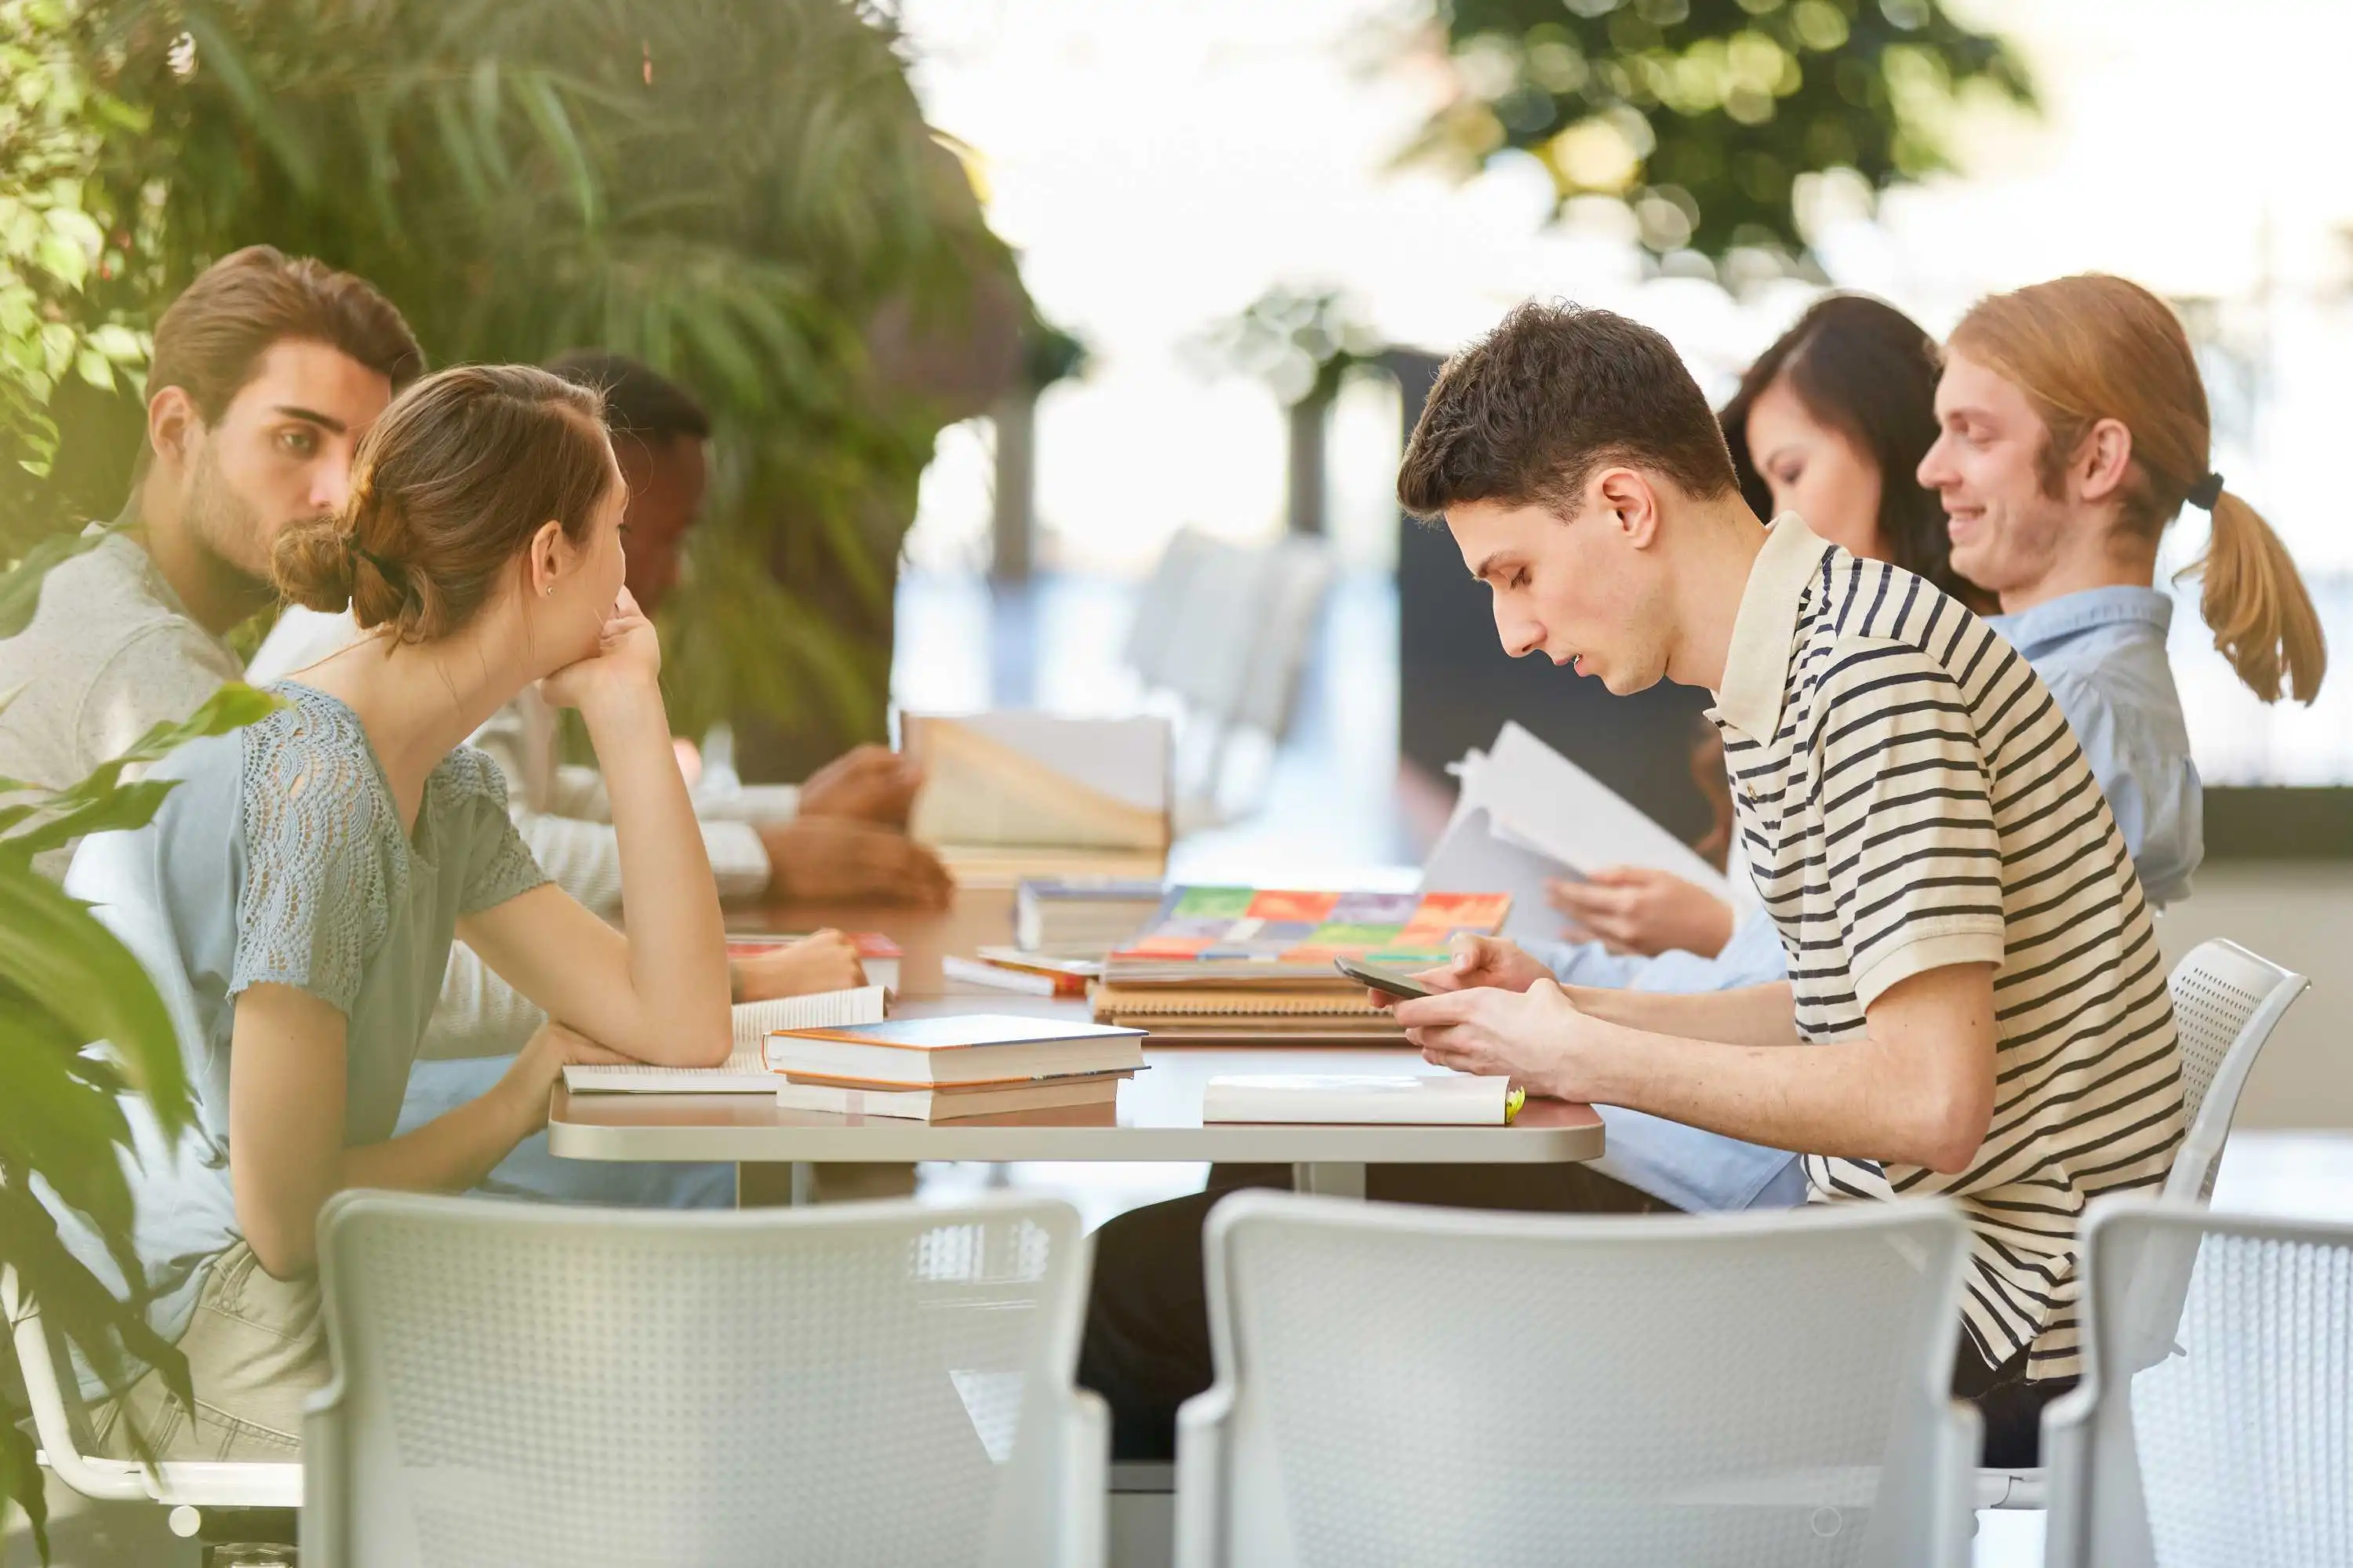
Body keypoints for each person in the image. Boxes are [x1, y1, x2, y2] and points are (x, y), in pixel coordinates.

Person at [1086, 300, 2188, 1468]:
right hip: (1901, 1279)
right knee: (1242, 1235)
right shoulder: (1805, 655)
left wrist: (1581, 1057)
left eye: (1517, 573)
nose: (1512, 631)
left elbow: (1929, 1102)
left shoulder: (1868, 678)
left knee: (1182, 1277)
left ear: (1624, 505)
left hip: (1964, 1326)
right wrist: (1565, 1003)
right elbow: (1828, 1010)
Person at [56, 364, 733, 1461]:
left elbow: (682, 1024)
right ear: (549, 558)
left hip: (279, 1283)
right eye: (616, 530)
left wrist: (629, 705)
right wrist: (514, 1103)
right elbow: (286, 1223)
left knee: (690, 1352)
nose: (632, 572)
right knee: (653, 1413)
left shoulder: (436, 782)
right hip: (175, 1337)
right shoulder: (316, 786)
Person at [1538, 291, 2227, 1216]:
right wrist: (1570, 1006)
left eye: (1972, 434)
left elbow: (1917, 1086)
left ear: (2099, 460)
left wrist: (1577, 1025)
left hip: (1901, 1230)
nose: (1932, 469)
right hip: (1880, 1208)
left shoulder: (1948, 684)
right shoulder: (1959, 667)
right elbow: (1829, 1003)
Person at [0, 246, 421, 879]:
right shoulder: (141, 655)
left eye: (363, 459)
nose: (342, 497)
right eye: (296, 439)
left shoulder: (88, 588)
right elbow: (329, 921)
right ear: (176, 430)